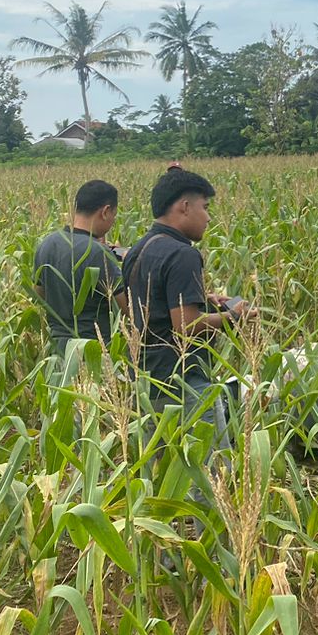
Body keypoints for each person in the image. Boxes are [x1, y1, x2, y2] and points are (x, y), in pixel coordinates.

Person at [119, 168, 255, 448]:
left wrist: (204, 299)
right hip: (182, 383)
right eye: (204, 208)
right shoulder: (183, 254)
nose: (208, 217)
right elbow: (186, 325)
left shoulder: (139, 249)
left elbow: (156, 303)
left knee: (162, 471)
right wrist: (233, 316)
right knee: (206, 472)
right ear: (184, 206)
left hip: (146, 380)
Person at [33, 179, 124, 353]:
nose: (113, 221)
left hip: (56, 351)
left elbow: (39, 295)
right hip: (93, 351)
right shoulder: (98, 253)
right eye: (114, 215)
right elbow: (125, 308)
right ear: (105, 211)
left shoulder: (46, 244)